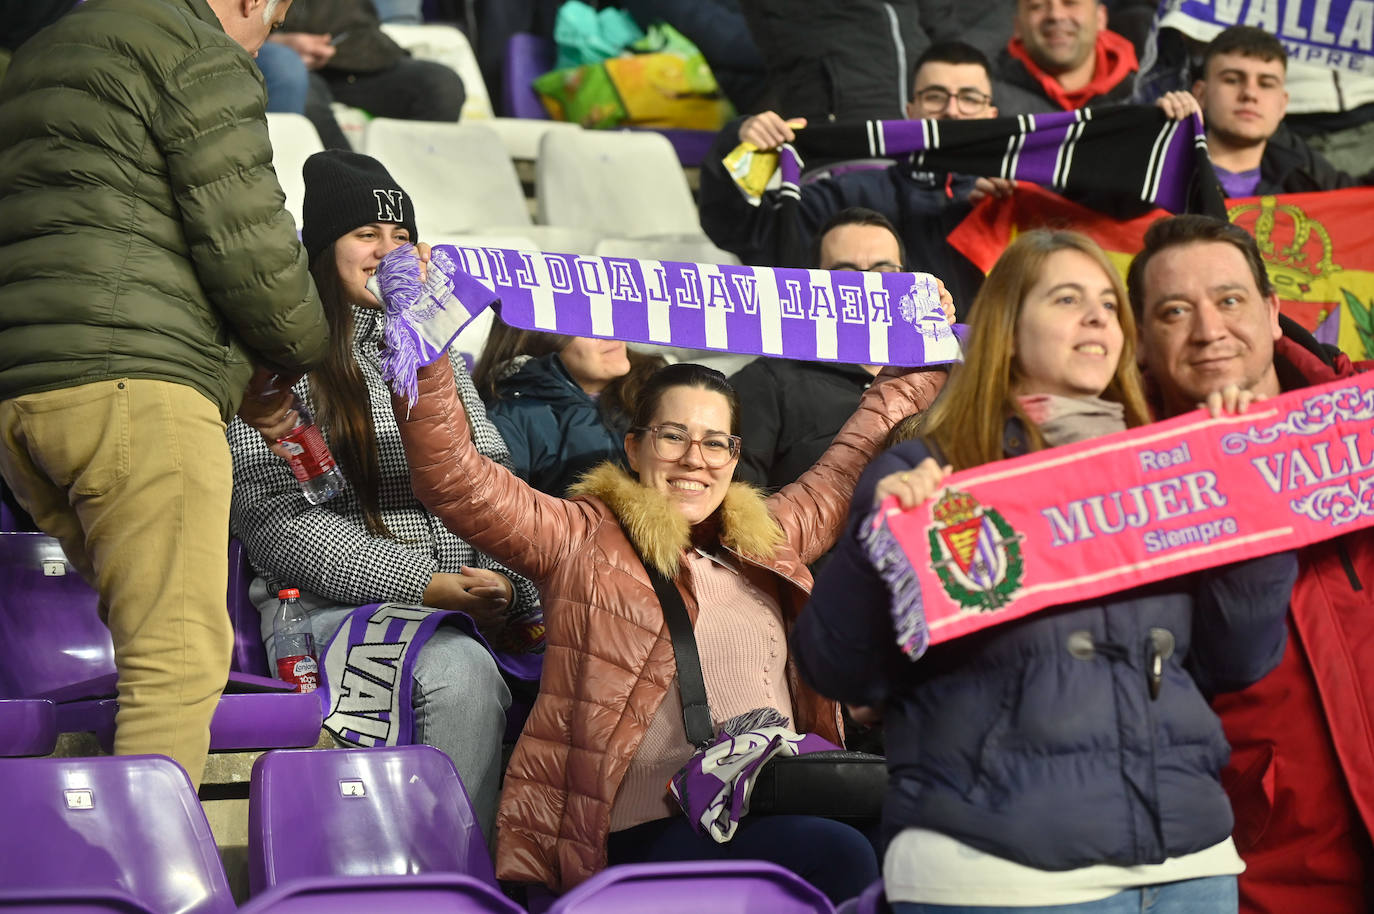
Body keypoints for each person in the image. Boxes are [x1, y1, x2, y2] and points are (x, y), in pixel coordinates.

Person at [794, 229, 1297, 912]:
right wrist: (870, 552)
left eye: (1107, 306)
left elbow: (1237, 659)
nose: (1097, 318)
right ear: (1005, 332)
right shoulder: (927, 475)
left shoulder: (1171, 468)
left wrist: (1252, 501)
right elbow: (839, 671)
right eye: (1067, 299)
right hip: (1001, 876)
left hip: (1189, 866)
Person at [389, 308, 951, 900]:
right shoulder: (577, 537)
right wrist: (422, 344)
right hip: (645, 836)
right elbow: (456, 479)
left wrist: (924, 340)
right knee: (836, 853)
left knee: (914, 838)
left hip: (780, 800)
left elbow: (851, 463)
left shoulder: (768, 537)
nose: (694, 458)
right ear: (634, 447)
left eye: (715, 442)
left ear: (735, 458)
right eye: (674, 436)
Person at [0, 0, 329, 789]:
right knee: (177, 666)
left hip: (24, 397)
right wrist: (302, 352)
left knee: (146, 642)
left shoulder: (39, 55)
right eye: (271, 21)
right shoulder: (197, 52)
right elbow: (253, 250)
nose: (261, 40)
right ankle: (145, 884)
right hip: (134, 392)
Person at [229, 150, 537, 839]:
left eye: (401, 236)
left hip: (460, 600)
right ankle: (448, 887)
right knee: (457, 672)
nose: (388, 251)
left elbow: (497, 489)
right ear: (322, 250)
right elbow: (278, 526)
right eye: (366, 235)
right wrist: (428, 585)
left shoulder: (443, 360)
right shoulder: (274, 369)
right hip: (327, 613)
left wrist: (514, 585)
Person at [1128, 214, 1374, 914]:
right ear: (1142, 340)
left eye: (1230, 300)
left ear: (1273, 314)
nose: (1209, 330)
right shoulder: (1116, 489)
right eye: (1176, 311)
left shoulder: (1358, 418)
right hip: (1267, 865)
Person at [700, 41, 1004, 307]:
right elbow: (743, 229)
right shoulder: (852, 194)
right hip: (875, 371)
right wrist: (739, 142)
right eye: (935, 96)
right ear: (911, 111)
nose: (952, 111)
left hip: (995, 370)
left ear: (992, 116)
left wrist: (1018, 211)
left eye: (969, 98)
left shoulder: (1023, 201)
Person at [730, 208, 905, 492]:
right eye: (844, 274)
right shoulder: (767, 383)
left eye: (884, 271)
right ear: (814, 285)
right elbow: (736, 506)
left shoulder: (941, 373)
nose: (867, 285)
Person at [473, 324, 666, 497]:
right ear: (537, 335)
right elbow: (502, 518)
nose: (609, 331)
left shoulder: (658, 390)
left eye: (606, 313)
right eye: (586, 324)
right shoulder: (508, 419)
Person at [260, 0, 464, 150]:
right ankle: (349, 186)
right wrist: (275, 42)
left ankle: (409, 187)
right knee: (292, 80)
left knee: (442, 85)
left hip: (360, 52)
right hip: (281, 59)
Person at [1189, 26, 1356, 197]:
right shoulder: (1164, 177)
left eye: (1266, 84)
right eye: (1232, 80)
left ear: (1283, 105)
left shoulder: (1309, 180)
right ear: (1200, 94)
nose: (1250, 94)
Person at [994, 0, 1138, 114]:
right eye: (1037, 6)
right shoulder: (987, 98)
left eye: (1070, 2)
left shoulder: (1144, 94)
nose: (1056, 15)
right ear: (1017, 26)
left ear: (1100, 18)